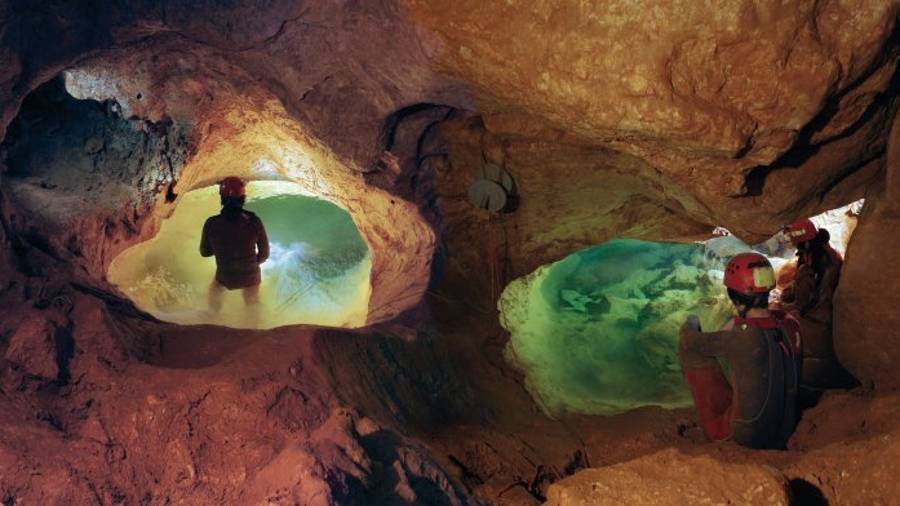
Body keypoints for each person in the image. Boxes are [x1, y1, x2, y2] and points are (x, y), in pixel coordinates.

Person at [679, 252, 800, 449]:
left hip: (749, 436)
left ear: (736, 300)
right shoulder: (789, 324)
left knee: (688, 347)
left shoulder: (742, 338)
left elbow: (691, 342)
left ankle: (715, 425)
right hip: (785, 430)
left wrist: (691, 321)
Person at [780, 219, 851, 387]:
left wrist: (786, 306)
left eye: (792, 237)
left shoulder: (817, 262)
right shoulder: (820, 252)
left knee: (779, 322)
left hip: (819, 319)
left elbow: (806, 301)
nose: (790, 241)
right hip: (824, 312)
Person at [200, 176, 269, 317]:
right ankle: (255, 328)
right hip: (250, 275)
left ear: (222, 197)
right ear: (243, 198)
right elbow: (264, 254)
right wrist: (249, 262)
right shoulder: (254, 221)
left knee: (215, 292)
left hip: (226, 275)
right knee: (252, 303)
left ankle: (213, 318)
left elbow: (205, 252)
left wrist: (222, 248)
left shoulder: (211, 223)